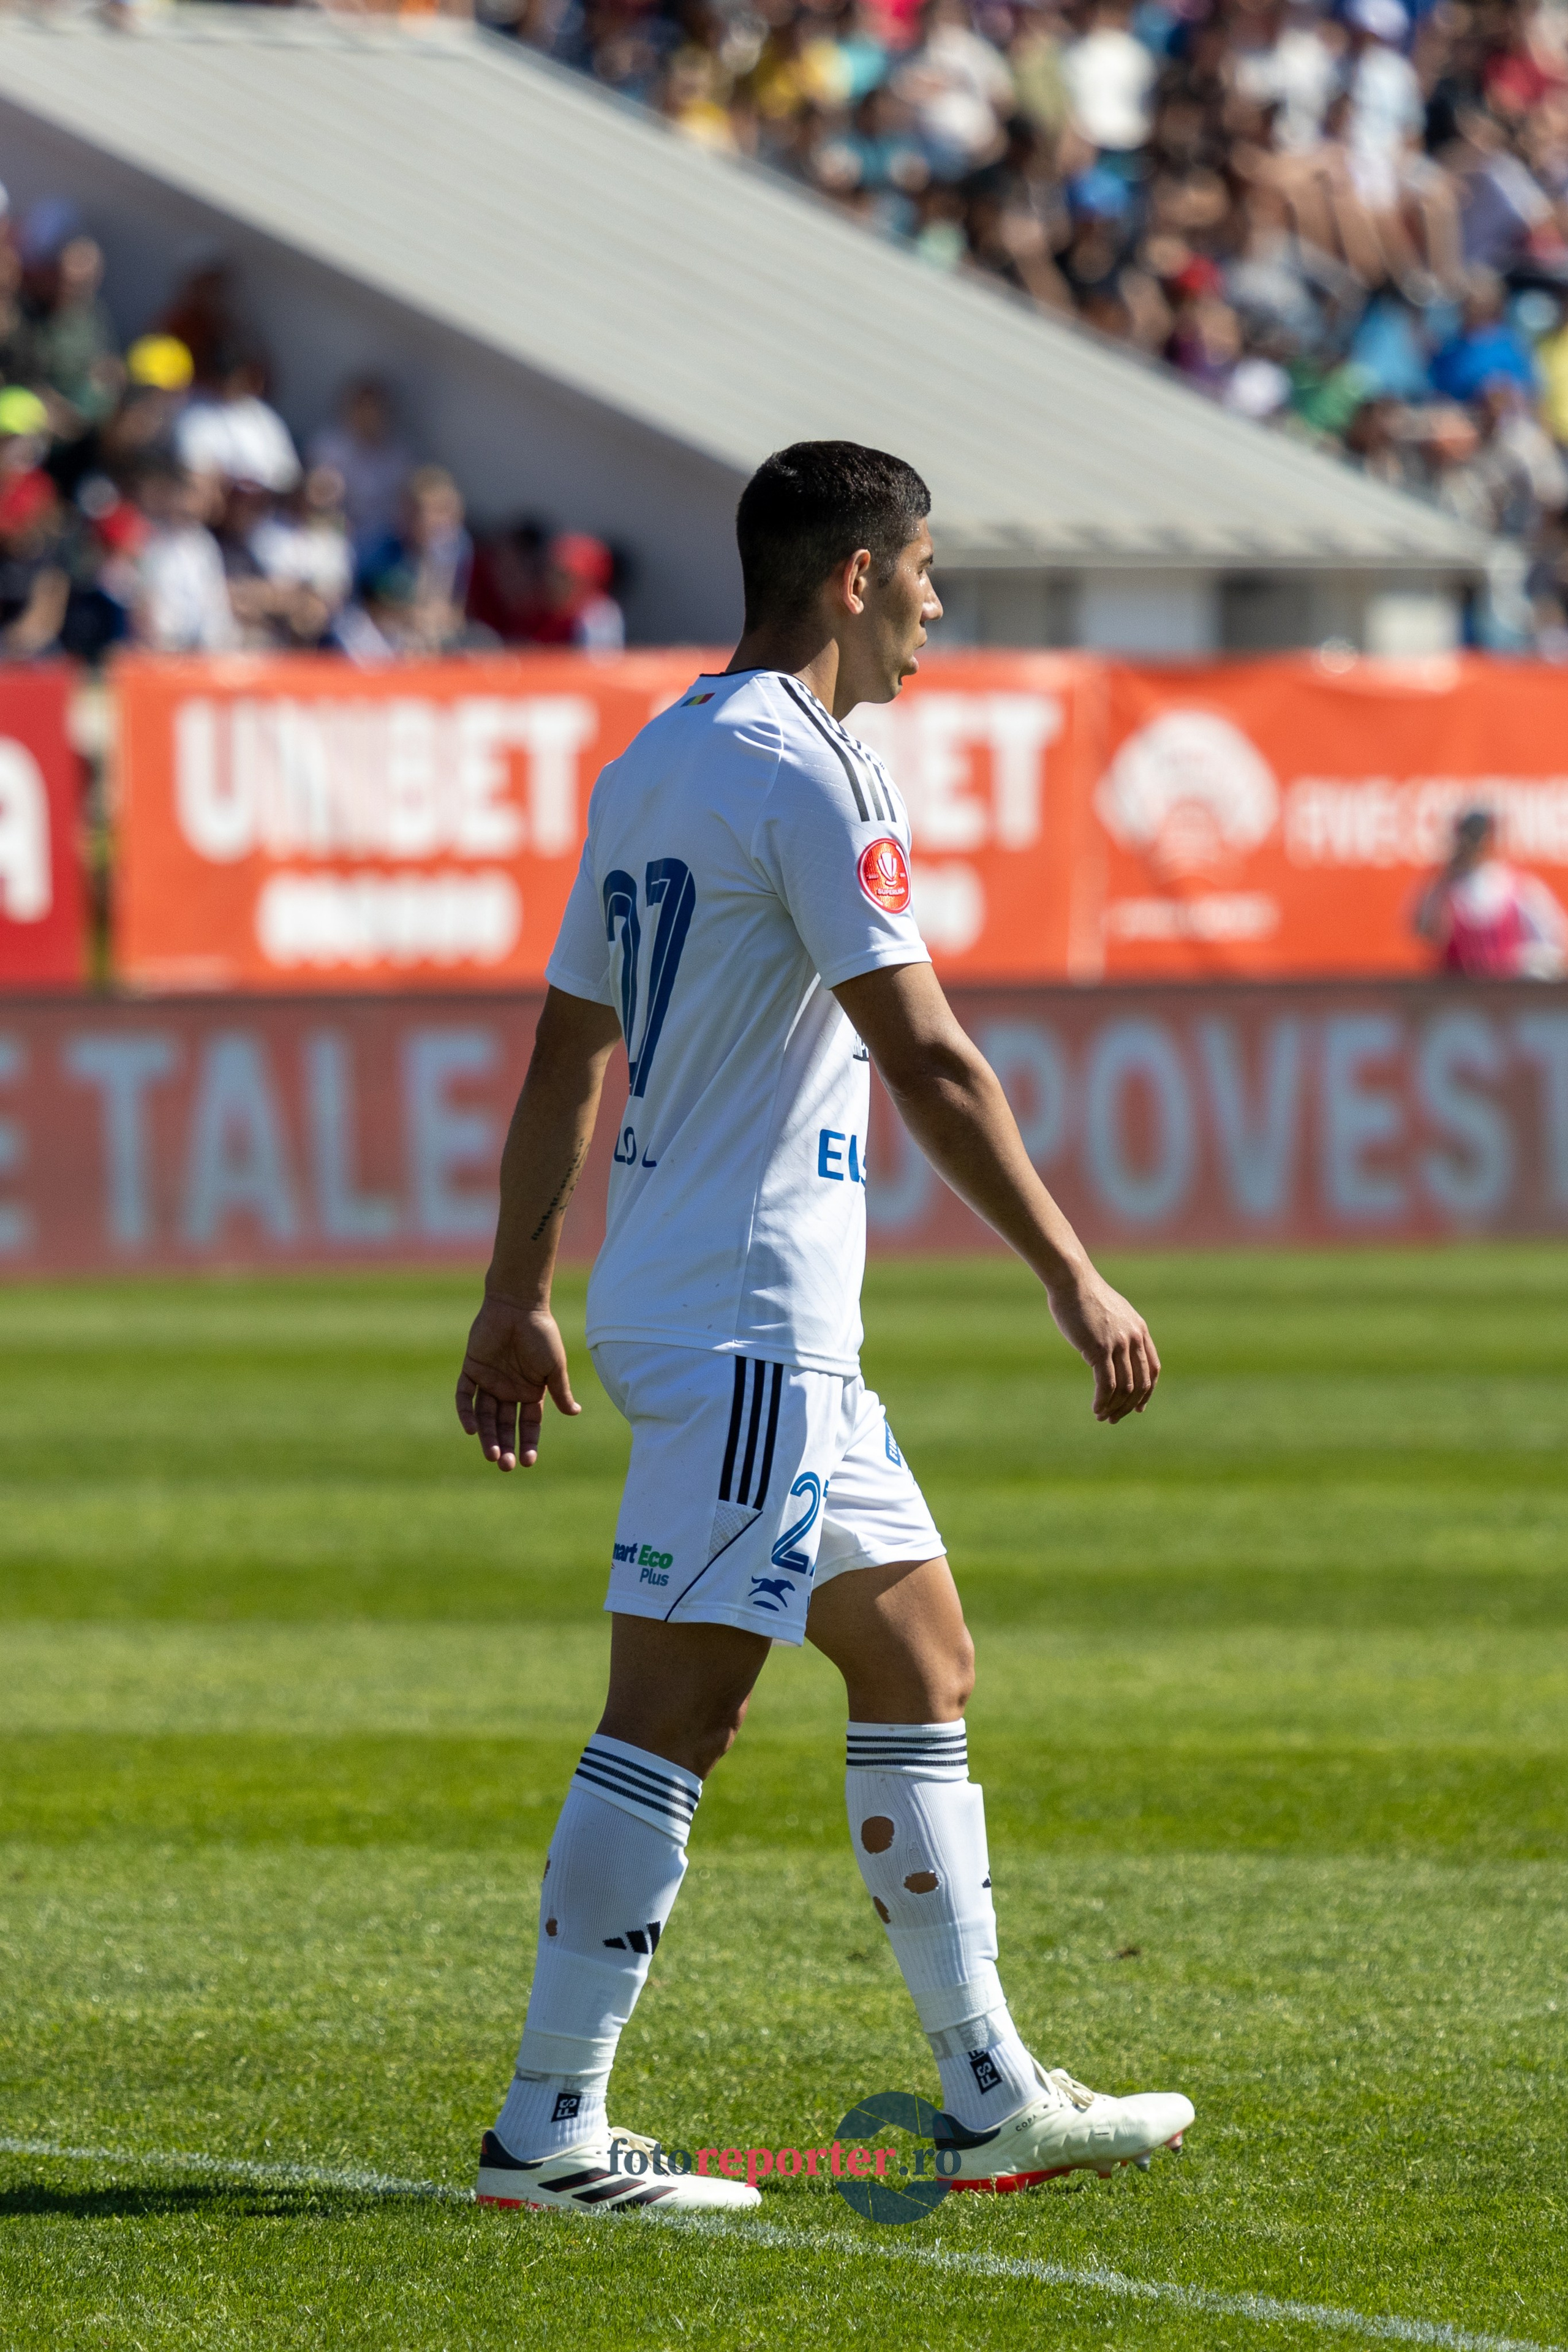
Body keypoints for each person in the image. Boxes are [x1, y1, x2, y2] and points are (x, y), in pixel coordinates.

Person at [454, 440, 1193, 2217]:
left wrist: (517, 1289)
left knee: (919, 1656)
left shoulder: (653, 757)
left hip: (752, 1319)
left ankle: (991, 2092)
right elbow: (925, 1050)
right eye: (924, 569)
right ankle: (548, 2128)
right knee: (676, 1710)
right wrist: (1071, 1272)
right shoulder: (808, 763)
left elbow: (565, 1058)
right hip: (747, 1317)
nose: (937, 603)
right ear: (856, 577)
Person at [1414, 806, 1567, 978]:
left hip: (1508, 990)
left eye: (1478, 838)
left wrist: (1523, 962)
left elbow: (1554, 942)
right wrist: (1442, 879)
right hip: (1458, 990)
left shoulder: (1520, 887)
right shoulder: (1447, 888)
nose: (1474, 846)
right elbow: (1423, 932)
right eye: (1469, 838)